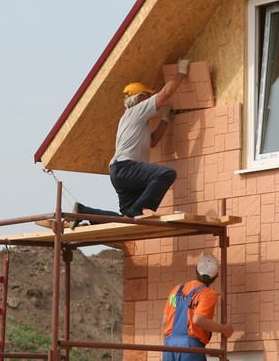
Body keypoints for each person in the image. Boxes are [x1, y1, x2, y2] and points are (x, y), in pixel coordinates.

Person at [69, 58, 189, 228]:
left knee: (126, 218)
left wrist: (164, 119)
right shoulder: (136, 111)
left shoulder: (134, 120)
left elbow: (153, 142)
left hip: (120, 172)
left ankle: (82, 210)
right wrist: (181, 72)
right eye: (147, 96)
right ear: (140, 97)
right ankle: (138, 209)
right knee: (166, 174)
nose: (149, 99)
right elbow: (165, 94)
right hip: (126, 168)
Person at [161, 254, 234, 361]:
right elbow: (198, 319)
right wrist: (224, 329)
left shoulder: (176, 290)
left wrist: (164, 347)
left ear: (196, 271)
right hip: (190, 346)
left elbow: (165, 322)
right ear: (215, 277)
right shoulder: (208, 294)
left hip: (169, 344)